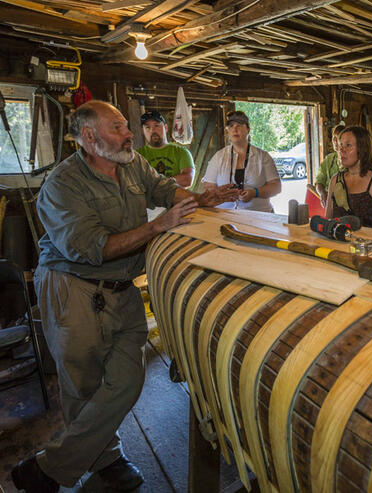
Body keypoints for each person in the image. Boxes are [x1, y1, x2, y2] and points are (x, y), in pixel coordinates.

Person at [11, 101, 237, 493]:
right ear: (89, 137)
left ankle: (49, 467)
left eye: (125, 126)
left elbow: (165, 189)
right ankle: (107, 460)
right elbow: (90, 247)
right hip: (74, 288)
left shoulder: (132, 164)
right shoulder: (63, 185)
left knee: (127, 381)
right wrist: (156, 227)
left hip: (120, 287)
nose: (130, 133)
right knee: (83, 387)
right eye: (118, 127)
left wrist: (200, 198)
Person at [202, 110, 281, 212]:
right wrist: (220, 193)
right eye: (231, 126)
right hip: (225, 216)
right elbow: (207, 187)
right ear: (228, 131)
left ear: (248, 129)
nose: (235, 129)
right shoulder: (218, 157)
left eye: (239, 125)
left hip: (259, 216)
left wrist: (255, 192)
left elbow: (276, 187)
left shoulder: (263, 156)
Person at [137, 110, 195, 188]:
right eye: (147, 127)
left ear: (166, 127)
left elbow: (187, 180)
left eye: (156, 125)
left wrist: (154, 184)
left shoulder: (181, 152)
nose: (152, 130)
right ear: (142, 131)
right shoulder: (137, 156)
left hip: (176, 200)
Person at [315, 123, 345, 207]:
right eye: (333, 138)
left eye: (338, 138)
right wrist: (322, 194)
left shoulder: (350, 160)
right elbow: (319, 181)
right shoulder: (328, 159)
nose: (335, 141)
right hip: (328, 202)